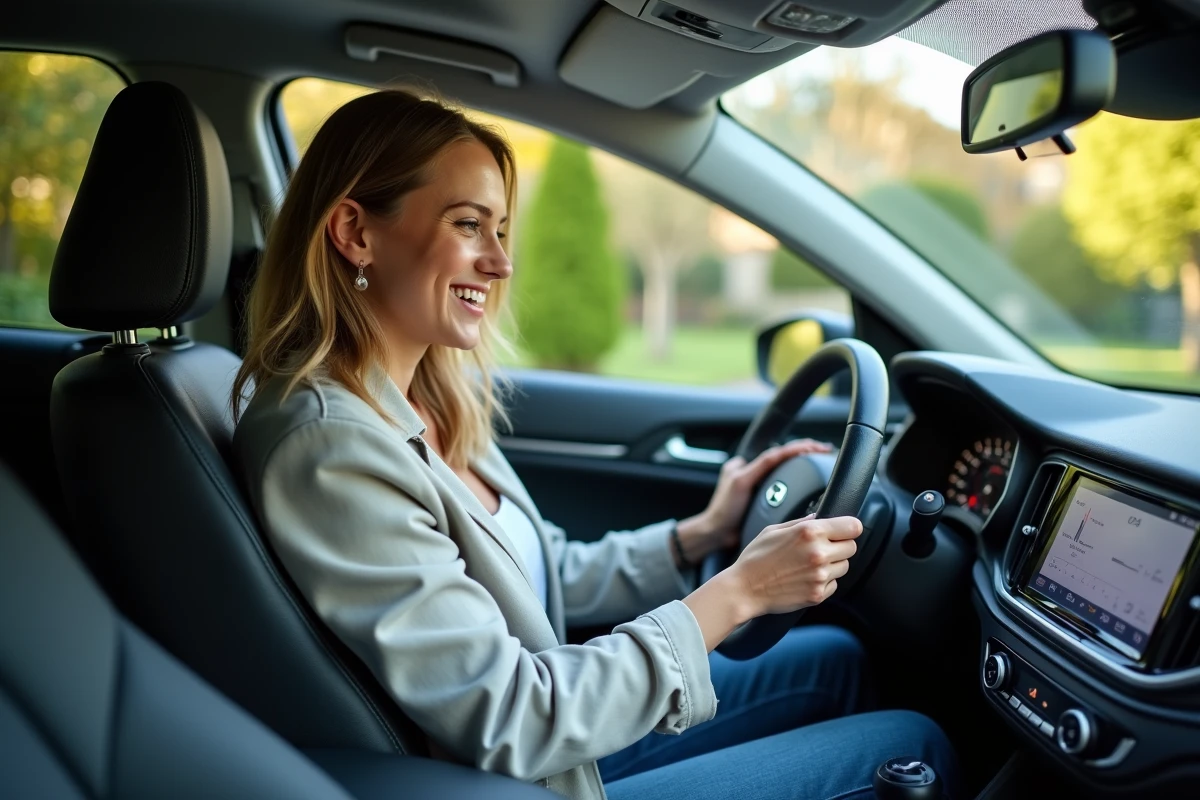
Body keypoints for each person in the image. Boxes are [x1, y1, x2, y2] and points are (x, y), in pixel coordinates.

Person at [231, 89, 957, 800]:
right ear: (356, 232)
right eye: (468, 224)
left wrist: (698, 535)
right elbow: (512, 717)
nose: (501, 262)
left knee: (836, 660)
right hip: (532, 768)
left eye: (502, 231)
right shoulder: (330, 444)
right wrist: (736, 592)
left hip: (561, 722)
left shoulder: (422, 399)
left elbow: (541, 576)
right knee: (913, 745)